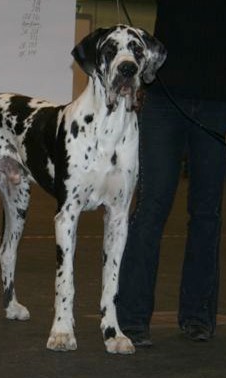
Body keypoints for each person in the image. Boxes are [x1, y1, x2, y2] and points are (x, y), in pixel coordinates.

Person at [117, 0, 226, 346]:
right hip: (165, 99)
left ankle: (197, 316)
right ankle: (132, 318)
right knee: (151, 207)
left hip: (218, 102)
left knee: (207, 213)